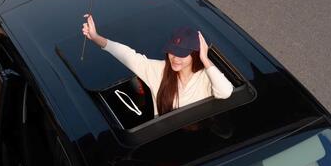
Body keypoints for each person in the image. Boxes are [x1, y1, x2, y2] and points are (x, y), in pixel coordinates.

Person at [81, 14, 234, 115]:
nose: (175, 58)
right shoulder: (158, 70)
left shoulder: (206, 76)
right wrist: (95, 37)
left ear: (195, 55)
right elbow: (127, 55)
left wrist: (206, 59)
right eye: (172, 51)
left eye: (182, 54)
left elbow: (226, 92)